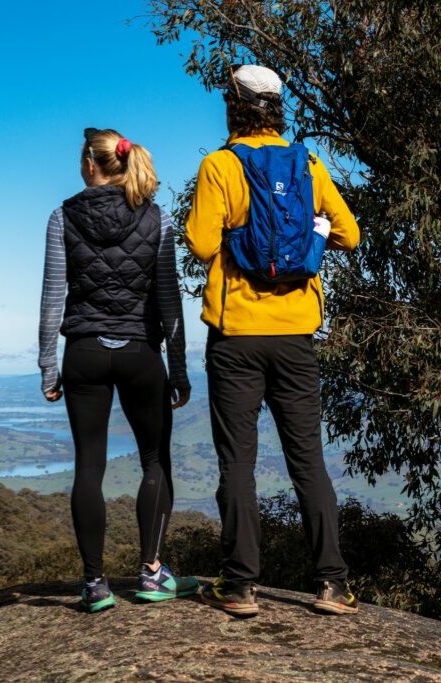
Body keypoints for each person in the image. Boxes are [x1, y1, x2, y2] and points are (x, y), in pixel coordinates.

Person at [185, 64, 361, 617]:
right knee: (307, 459)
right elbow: (350, 233)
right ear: (278, 107)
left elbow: (198, 243)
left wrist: (241, 242)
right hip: (295, 336)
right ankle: (332, 583)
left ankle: (239, 586)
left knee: (237, 461)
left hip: (236, 334)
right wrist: (305, 244)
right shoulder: (308, 162)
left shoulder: (219, 164)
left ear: (233, 106)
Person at [39, 127, 196, 613]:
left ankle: (94, 584)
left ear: (91, 163)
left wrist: (48, 365)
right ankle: (151, 573)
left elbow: (51, 298)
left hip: (83, 352)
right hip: (140, 354)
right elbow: (168, 301)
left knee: (89, 466)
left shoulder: (61, 215)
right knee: (154, 460)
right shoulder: (158, 219)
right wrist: (180, 367)